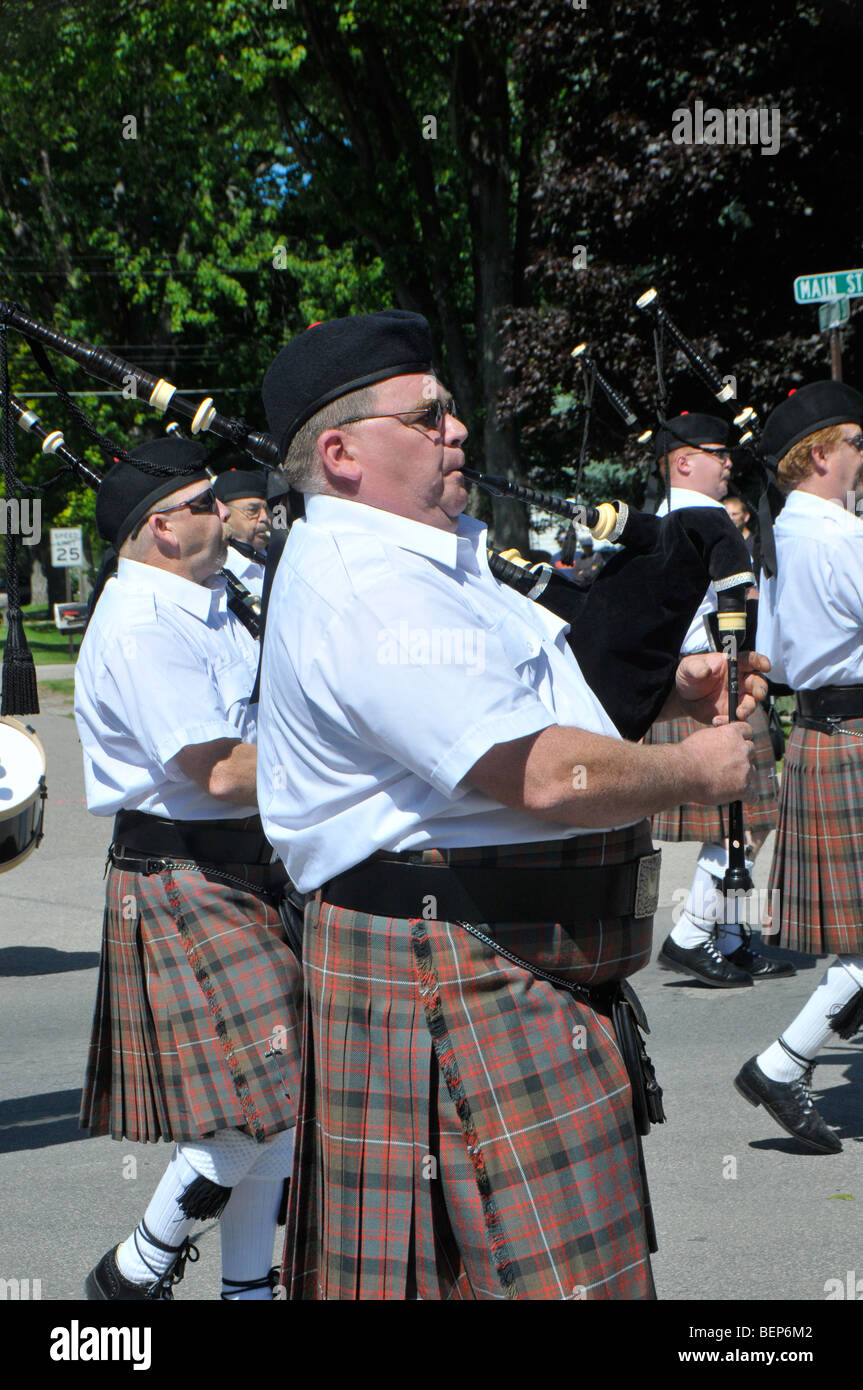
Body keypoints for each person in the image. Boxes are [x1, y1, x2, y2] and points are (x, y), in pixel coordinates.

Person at [255, 310, 764, 1301]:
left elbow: (529, 694)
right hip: (450, 969)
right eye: (428, 416)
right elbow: (533, 772)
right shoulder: (366, 585)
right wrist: (692, 771)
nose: (456, 431)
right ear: (341, 452)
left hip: (501, 961)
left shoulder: (428, 560)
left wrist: (669, 694)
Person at [74, 437, 302, 1300]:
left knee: (272, 1110)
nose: (230, 510)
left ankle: (249, 1291)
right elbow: (213, 769)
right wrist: (345, 765)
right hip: (181, 876)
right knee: (252, 1114)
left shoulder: (210, 600)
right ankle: (134, 1271)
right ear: (163, 526)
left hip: (240, 872)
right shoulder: (138, 626)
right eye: (210, 502)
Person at [734, 381, 863, 1153]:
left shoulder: (785, 536)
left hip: (823, 734)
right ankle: (780, 1063)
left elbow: (778, 658)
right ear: (818, 455)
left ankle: (783, 1061)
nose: (860, 458)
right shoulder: (839, 539)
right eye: (854, 444)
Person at [644, 413, 791, 987]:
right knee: (741, 824)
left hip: (711, 677)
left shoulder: (680, 518)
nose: (729, 462)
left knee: (741, 822)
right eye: (717, 453)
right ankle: (691, 935)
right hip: (705, 680)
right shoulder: (690, 521)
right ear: (683, 461)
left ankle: (730, 938)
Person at [213, 466, 271, 596]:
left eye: (266, 510)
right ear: (225, 515)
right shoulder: (217, 576)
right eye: (252, 511)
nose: (265, 518)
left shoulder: (278, 556)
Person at [723, 492, 758, 568]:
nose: (730, 518)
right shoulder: (720, 544)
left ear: (746, 517)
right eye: (726, 514)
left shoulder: (756, 544)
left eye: (735, 514)